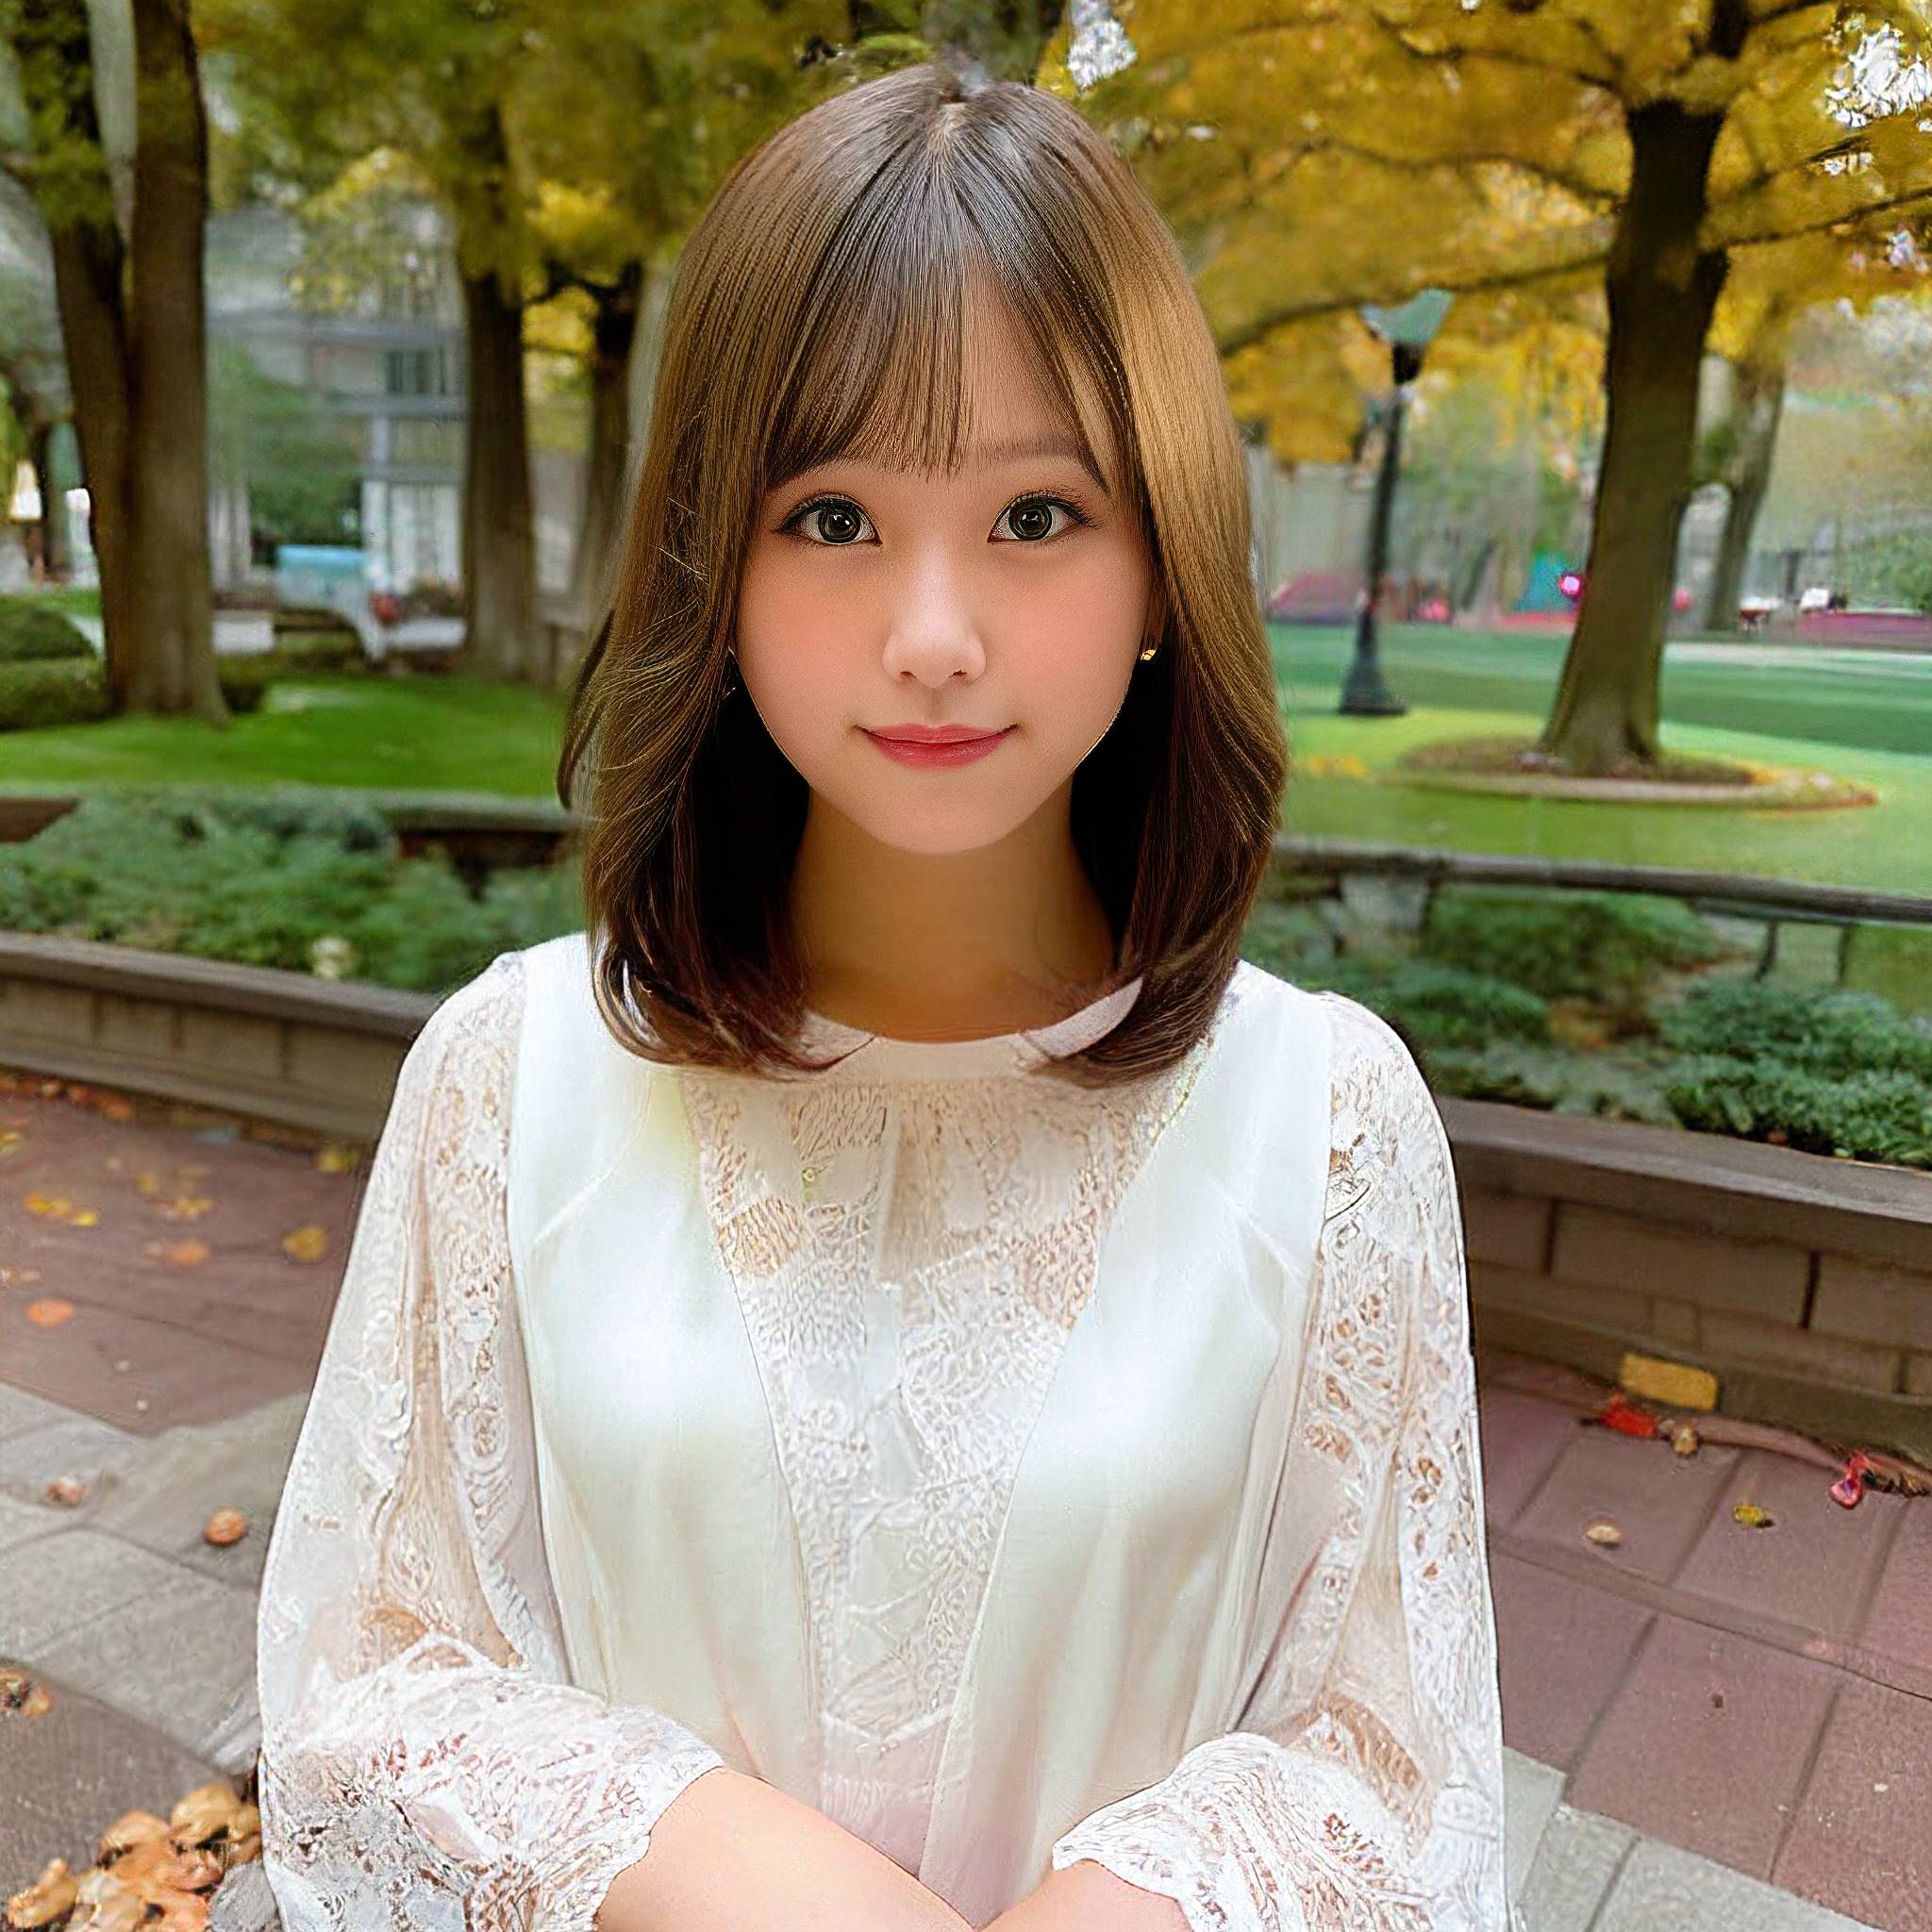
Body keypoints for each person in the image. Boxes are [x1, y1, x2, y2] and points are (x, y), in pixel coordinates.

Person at [253, 53, 1512, 1932]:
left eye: (1035, 516)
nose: (933, 636)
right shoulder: (513, 1077)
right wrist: (759, 1883)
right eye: (833, 515)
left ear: (1164, 557)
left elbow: (1391, 1752)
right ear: (720, 559)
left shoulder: (1322, 1121)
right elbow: (369, 1670)